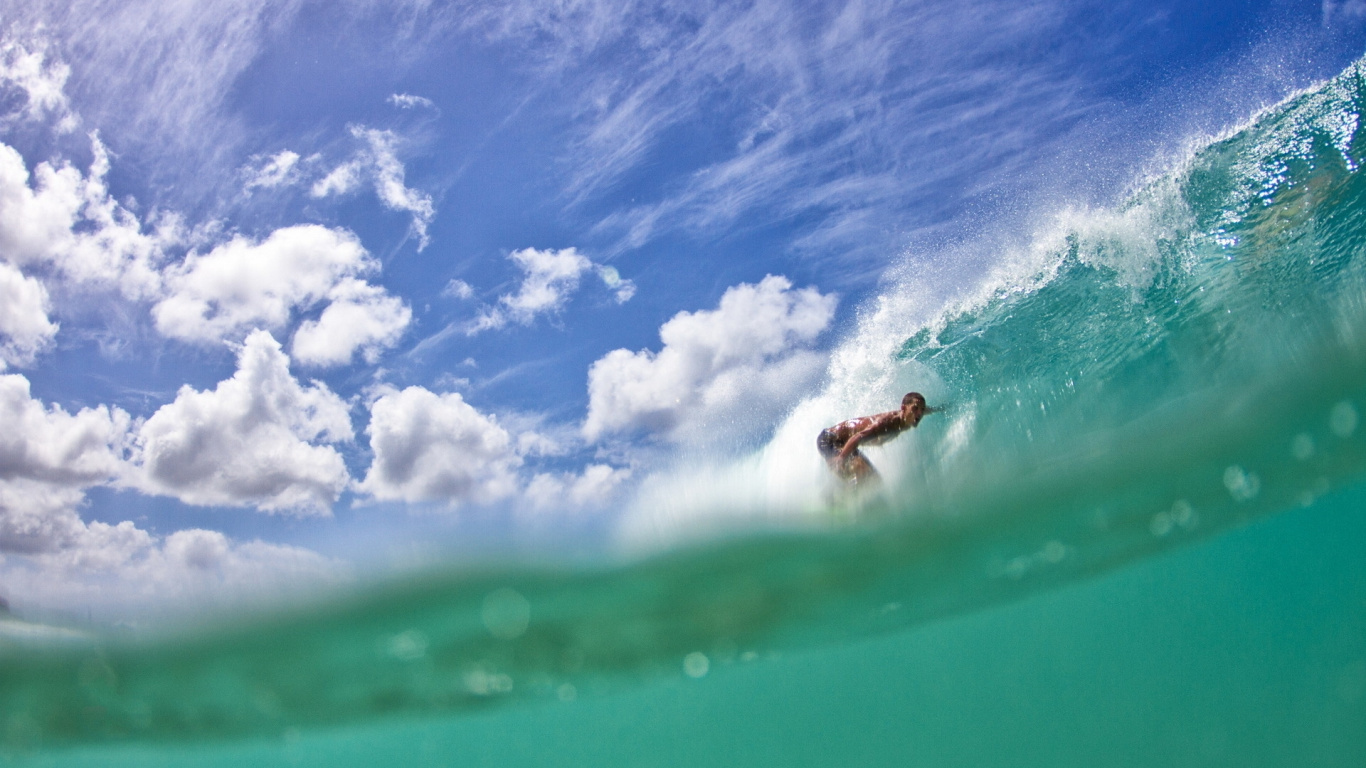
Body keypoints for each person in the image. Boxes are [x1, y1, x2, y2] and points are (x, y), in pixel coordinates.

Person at [817, 392, 937, 485]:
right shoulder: (887, 423)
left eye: (922, 409)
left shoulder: (912, 416)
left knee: (870, 479)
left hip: (844, 443)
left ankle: (841, 496)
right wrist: (841, 458)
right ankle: (837, 499)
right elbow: (858, 437)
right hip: (830, 440)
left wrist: (944, 408)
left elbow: (927, 410)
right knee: (869, 478)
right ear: (904, 408)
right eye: (915, 408)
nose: (919, 414)